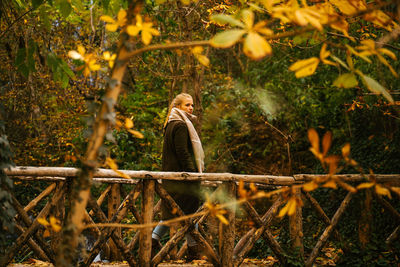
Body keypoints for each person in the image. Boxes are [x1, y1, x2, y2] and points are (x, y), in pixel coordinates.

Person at [151, 93, 205, 261]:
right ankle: (193, 249)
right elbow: (182, 151)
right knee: (188, 212)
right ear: (178, 107)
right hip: (182, 178)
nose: (191, 108)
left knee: (178, 212)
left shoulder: (170, 124)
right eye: (187, 105)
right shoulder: (181, 125)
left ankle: (191, 249)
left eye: (192, 105)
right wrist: (192, 172)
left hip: (172, 177)